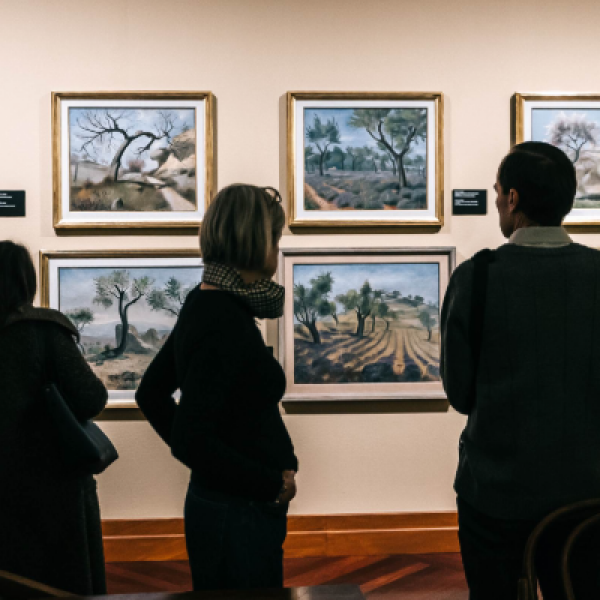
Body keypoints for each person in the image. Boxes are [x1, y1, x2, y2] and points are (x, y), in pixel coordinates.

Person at [441, 142, 600, 600]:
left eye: (496, 192)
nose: (495, 201)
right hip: (587, 495)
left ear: (512, 199)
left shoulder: (478, 276)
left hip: (497, 492)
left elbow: (459, 393)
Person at [136, 184, 298, 591]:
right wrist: (267, 484)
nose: (277, 250)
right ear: (255, 240)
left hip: (228, 506)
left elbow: (151, 393)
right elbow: (191, 438)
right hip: (236, 512)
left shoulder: (209, 302)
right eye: (275, 238)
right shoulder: (222, 317)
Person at [0, 241, 109, 594]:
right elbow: (92, 398)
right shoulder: (44, 330)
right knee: (62, 584)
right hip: (55, 489)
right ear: (26, 281)